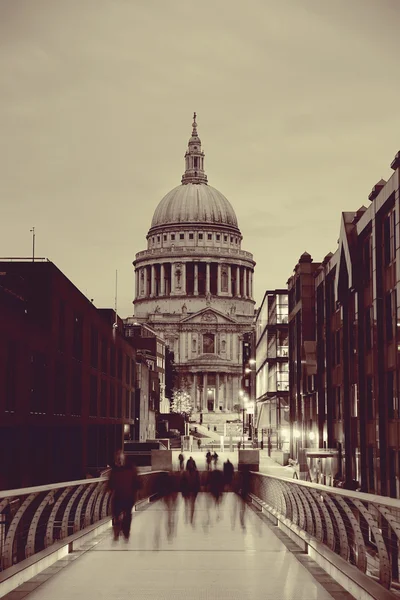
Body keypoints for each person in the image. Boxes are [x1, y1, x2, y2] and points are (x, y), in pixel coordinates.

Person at [107, 450, 140, 541]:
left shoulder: (127, 469)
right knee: (119, 513)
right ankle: (121, 531)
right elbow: (111, 483)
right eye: (118, 459)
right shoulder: (127, 468)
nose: (119, 461)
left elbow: (110, 483)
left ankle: (124, 531)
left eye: (120, 459)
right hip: (122, 495)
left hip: (127, 495)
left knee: (125, 513)